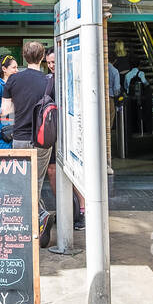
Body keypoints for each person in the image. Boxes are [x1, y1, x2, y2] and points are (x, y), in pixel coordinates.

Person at [1, 40, 53, 245]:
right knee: (37, 181)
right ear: (41, 58)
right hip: (42, 139)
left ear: (24, 57)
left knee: (23, 182)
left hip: (20, 138)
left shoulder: (13, 80)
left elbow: (5, 111)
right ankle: (40, 217)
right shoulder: (49, 81)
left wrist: (19, 106)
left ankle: (36, 221)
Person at [43, 47, 86, 231]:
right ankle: (65, 208)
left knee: (74, 170)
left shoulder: (72, 75)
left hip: (71, 130)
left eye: (54, 62)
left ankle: (82, 210)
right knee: (52, 170)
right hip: (54, 132)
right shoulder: (49, 79)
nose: (51, 65)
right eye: (49, 62)